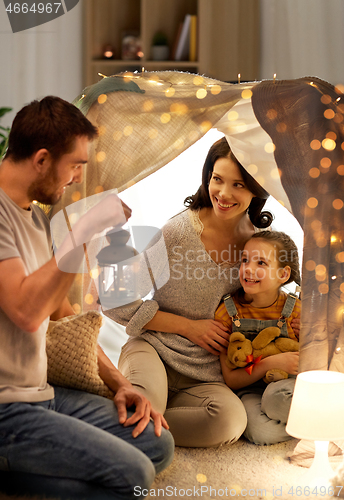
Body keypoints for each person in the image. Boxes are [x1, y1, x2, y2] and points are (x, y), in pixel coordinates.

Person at [0, 96, 174, 500]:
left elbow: (60, 315)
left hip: (40, 394)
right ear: (42, 159)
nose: (79, 177)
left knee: (155, 442)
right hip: (7, 409)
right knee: (134, 475)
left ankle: (17, 475)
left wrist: (118, 383)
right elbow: (27, 312)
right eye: (75, 164)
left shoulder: (34, 217)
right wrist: (83, 231)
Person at [106, 136, 275, 448]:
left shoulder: (260, 247)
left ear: (257, 189)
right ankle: (138, 421)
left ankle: (145, 428)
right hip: (153, 350)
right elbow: (115, 302)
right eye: (217, 180)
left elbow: (270, 307)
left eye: (238, 185)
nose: (223, 194)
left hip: (206, 376)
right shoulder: (178, 232)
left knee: (230, 421)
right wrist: (188, 327)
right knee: (144, 407)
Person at [216, 230, 301, 446]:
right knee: (260, 432)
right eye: (245, 260)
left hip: (285, 386)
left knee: (276, 400)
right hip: (249, 391)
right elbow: (232, 379)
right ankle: (314, 426)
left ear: (283, 275)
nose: (248, 269)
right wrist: (270, 363)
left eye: (261, 263)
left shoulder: (296, 310)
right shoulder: (227, 312)